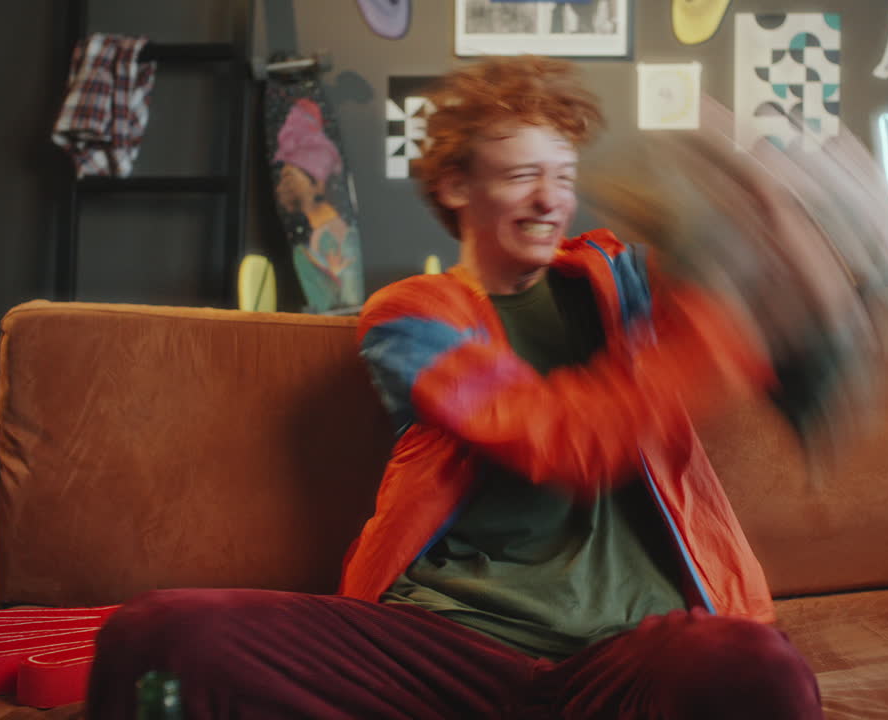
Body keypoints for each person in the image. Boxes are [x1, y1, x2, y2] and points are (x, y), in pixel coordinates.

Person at [86, 56, 825, 719]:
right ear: (453, 185)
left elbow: (782, 342)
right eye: (519, 176)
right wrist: (718, 335)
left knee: (757, 671)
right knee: (157, 636)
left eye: (564, 176)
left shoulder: (621, 281)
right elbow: (558, 440)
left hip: (627, 653)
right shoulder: (412, 321)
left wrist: (773, 237)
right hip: (445, 648)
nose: (550, 201)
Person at [273, 98, 363, 312]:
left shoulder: (330, 234)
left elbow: (343, 297)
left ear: (318, 183)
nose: (281, 187)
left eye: (290, 177)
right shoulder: (316, 234)